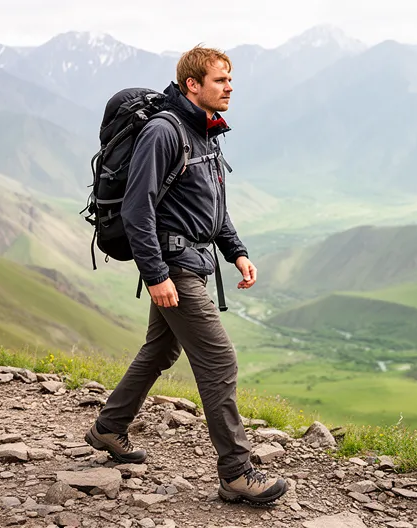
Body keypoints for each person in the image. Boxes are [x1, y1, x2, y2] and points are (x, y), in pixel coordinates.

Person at [85, 45, 288, 505]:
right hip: (175, 267)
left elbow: (211, 205)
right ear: (192, 84)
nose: (230, 87)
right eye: (220, 80)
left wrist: (236, 251)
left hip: (194, 261)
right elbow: (138, 209)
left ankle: (109, 428)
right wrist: (156, 274)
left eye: (230, 79)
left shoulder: (204, 133)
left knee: (160, 349)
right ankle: (236, 473)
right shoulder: (164, 131)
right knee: (220, 361)